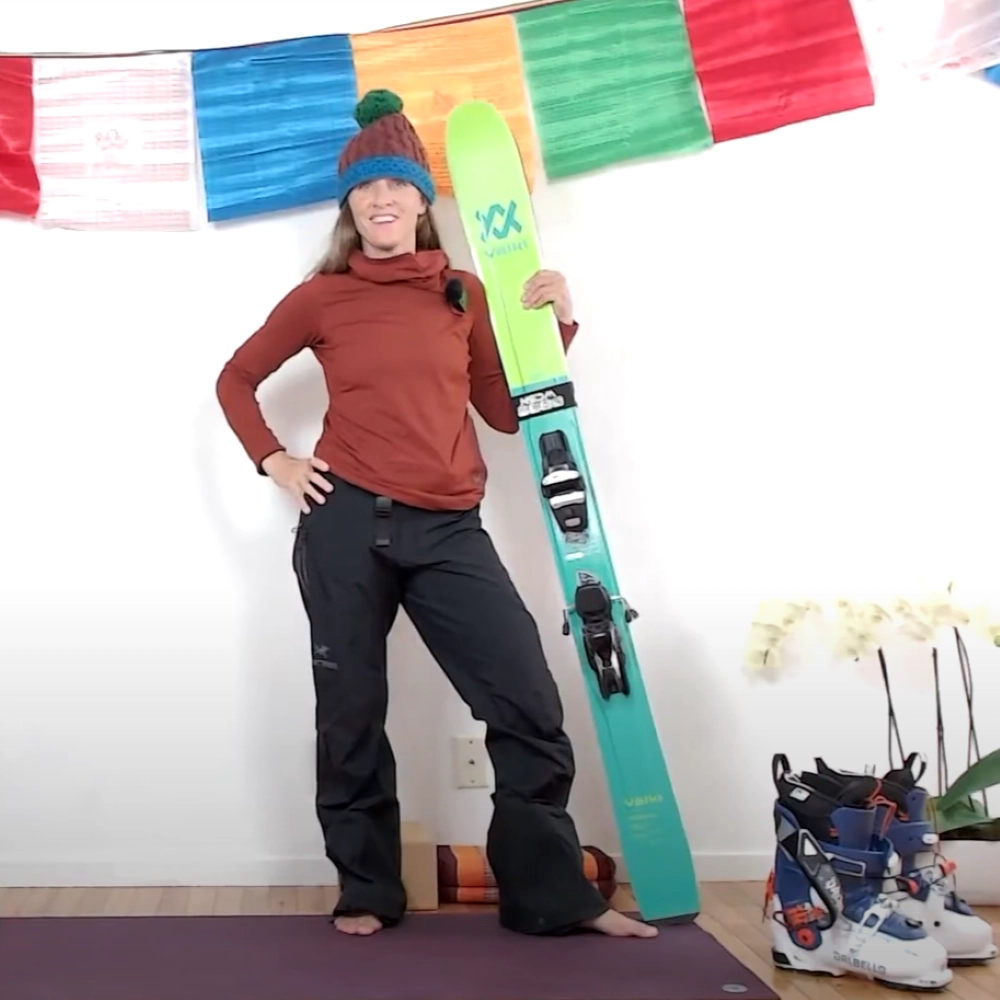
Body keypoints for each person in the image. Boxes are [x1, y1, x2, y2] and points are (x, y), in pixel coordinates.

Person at [215, 88, 657, 940]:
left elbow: (501, 411)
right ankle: (369, 889)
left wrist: (559, 325)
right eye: (366, 189)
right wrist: (275, 459)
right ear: (350, 206)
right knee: (350, 716)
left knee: (527, 702)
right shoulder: (321, 297)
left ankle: (551, 897)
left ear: (422, 199)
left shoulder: (462, 293)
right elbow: (236, 378)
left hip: (449, 526)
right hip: (344, 525)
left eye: (398, 187)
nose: (382, 201)